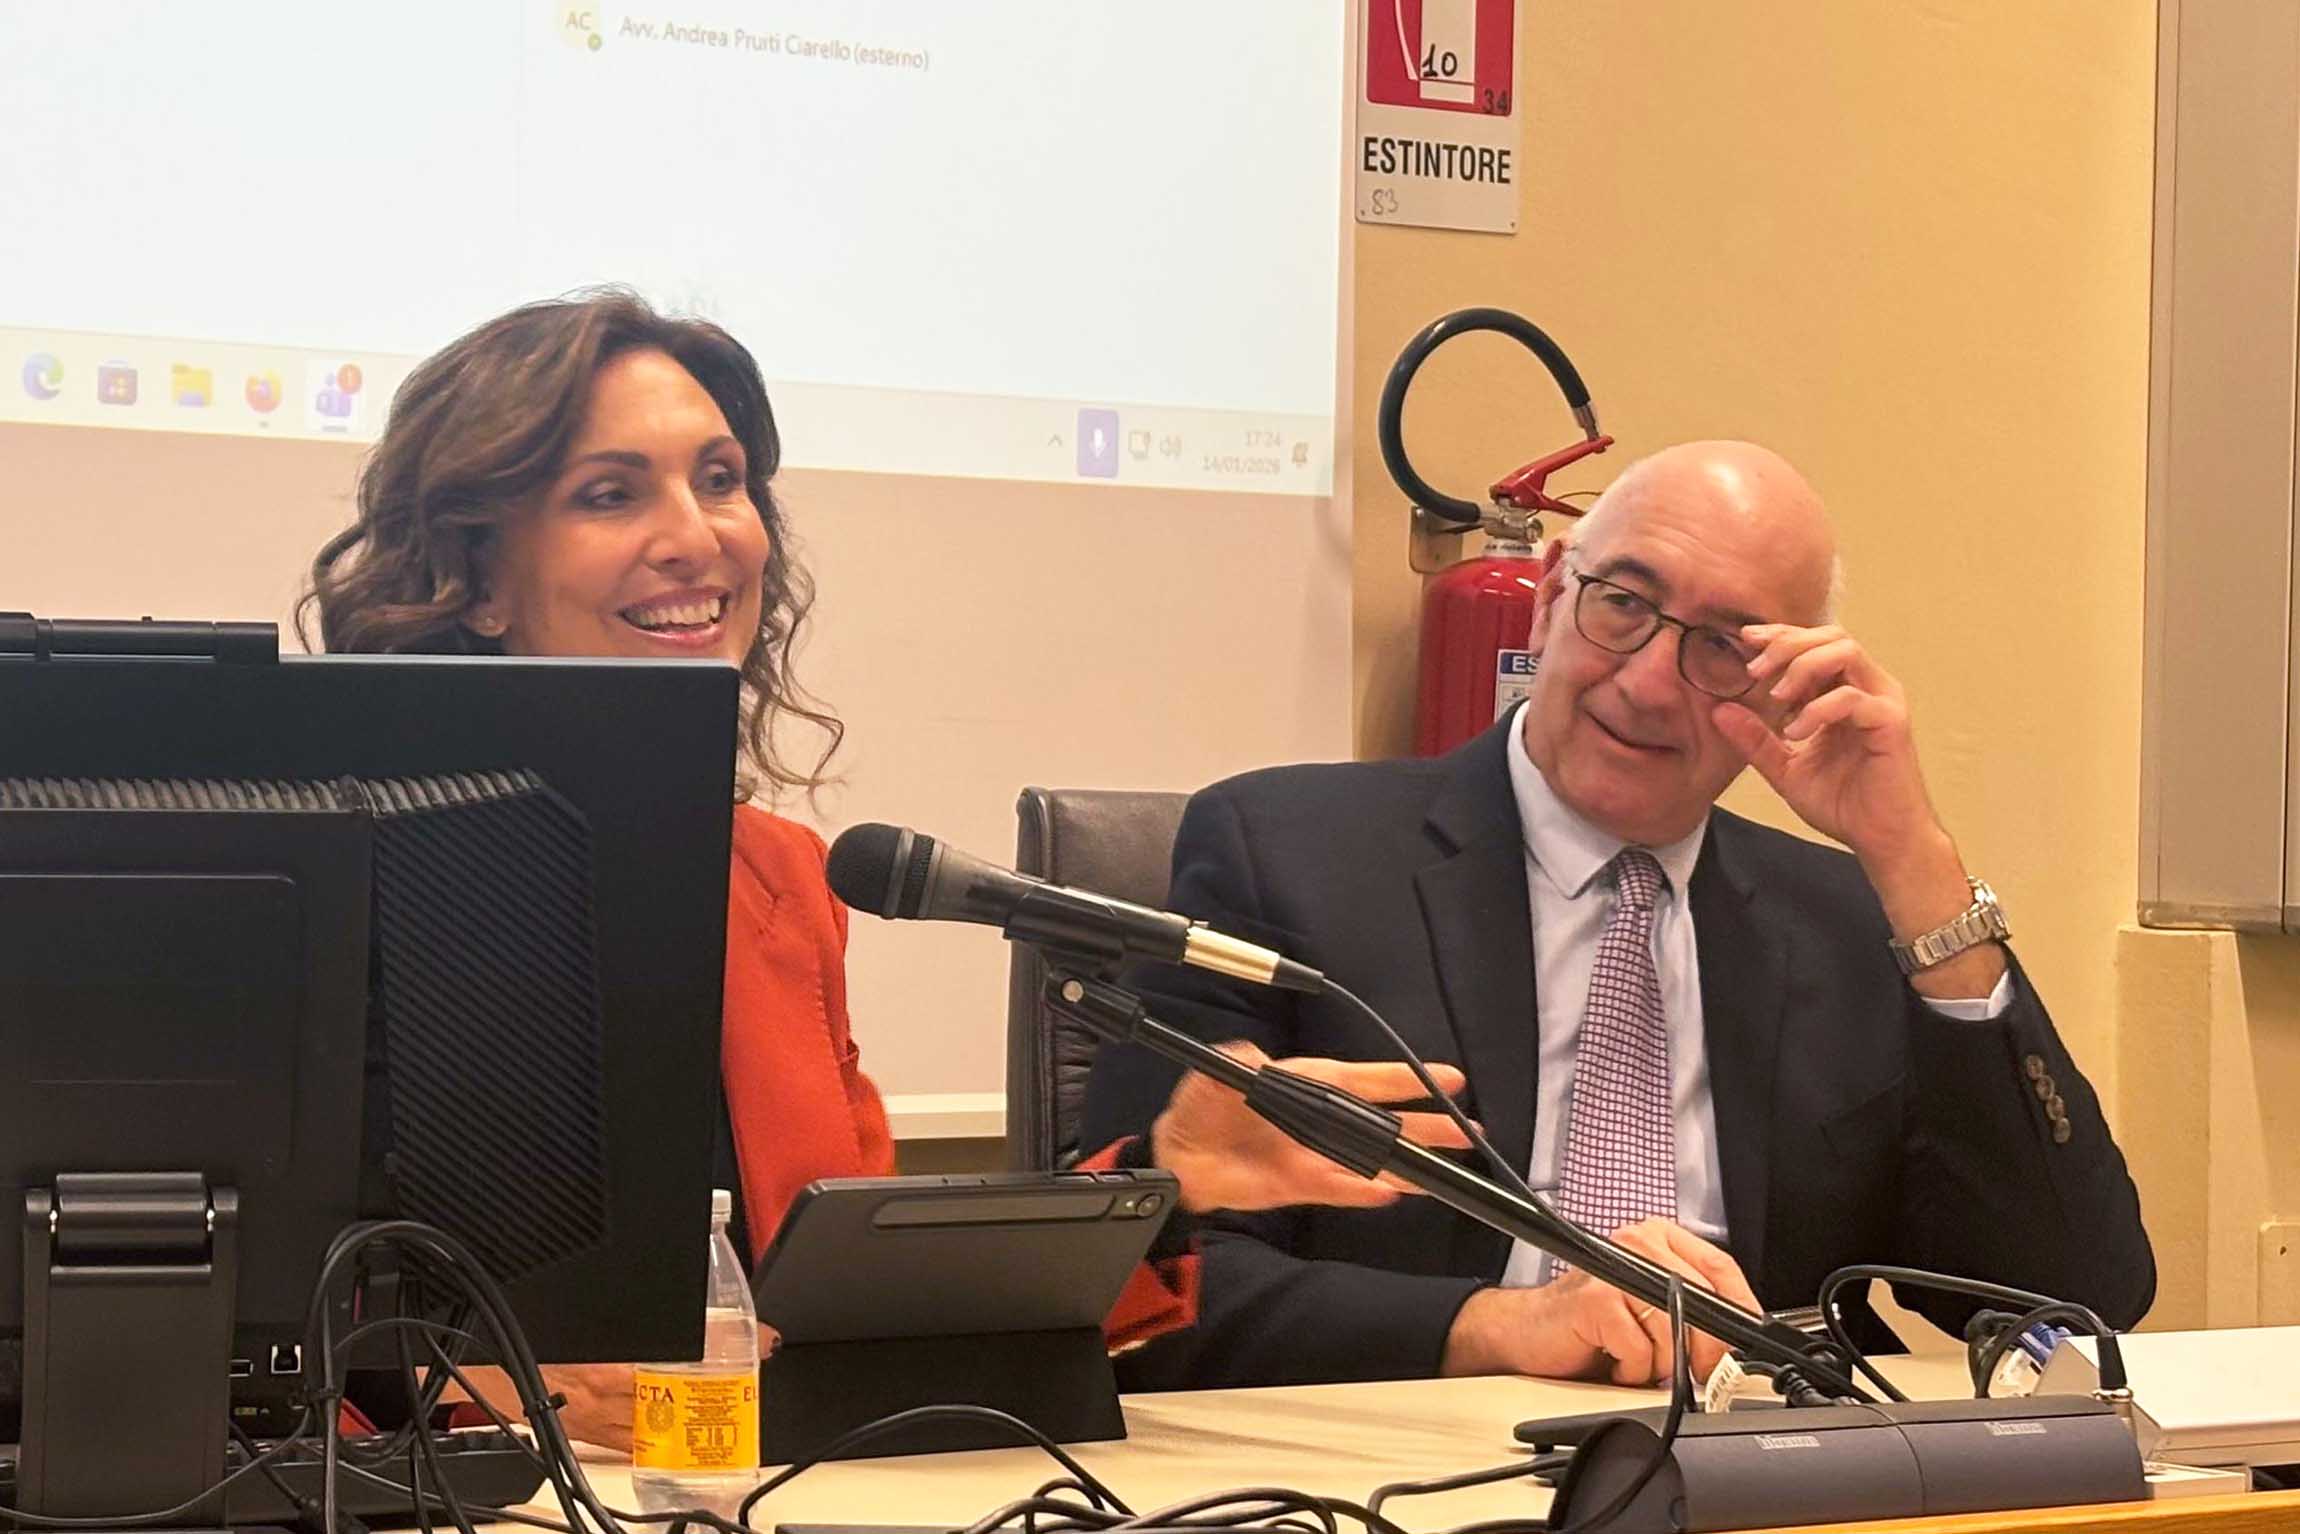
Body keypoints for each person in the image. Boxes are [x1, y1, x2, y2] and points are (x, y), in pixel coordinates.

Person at [302, 288, 1471, 1446]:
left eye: (721, 479)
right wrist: (459, 1389)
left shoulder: (778, 880)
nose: (700, 536)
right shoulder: (326, 875)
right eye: (610, 493)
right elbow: (241, 1311)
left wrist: (1166, 1182)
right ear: (478, 578)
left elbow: (855, 1311)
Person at [1078, 440, 2156, 1391]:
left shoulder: (1845, 921)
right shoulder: (1284, 856)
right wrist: (1502, 1327)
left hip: (1760, 1473)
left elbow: (2076, 1296)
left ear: (1788, 686)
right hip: (1415, 1465)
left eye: (1724, 645)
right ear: (1551, 596)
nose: (1647, 684)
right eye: (1623, 605)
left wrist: (1915, 862)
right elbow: (1135, 1281)